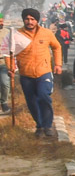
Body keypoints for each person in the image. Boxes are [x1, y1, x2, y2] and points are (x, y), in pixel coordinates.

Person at [13, 8, 63, 137]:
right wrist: (10, 68)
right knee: (32, 101)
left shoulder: (46, 33)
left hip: (44, 72)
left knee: (43, 96)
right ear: (23, 19)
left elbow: (57, 47)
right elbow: (8, 52)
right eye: (27, 19)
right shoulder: (16, 35)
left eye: (32, 19)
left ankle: (47, 126)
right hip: (25, 74)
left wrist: (58, 64)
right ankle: (39, 126)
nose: (29, 22)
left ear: (37, 20)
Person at [0, 13, 13, 114]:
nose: (1, 23)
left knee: (5, 83)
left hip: (4, 62)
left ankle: (4, 103)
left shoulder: (8, 33)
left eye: (1, 21)